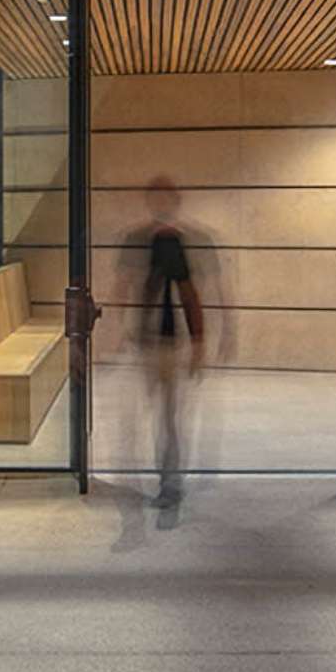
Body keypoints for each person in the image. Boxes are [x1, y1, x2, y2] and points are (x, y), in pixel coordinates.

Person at [128, 174, 213, 509]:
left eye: (167, 198)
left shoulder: (175, 242)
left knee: (167, 415)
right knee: (156, 414)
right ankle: (166, 477)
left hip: (167, 342)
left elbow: (190, 295)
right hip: (147, 341)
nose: (161, 205)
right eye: (156, 198)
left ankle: (169, 480)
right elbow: (131, 287)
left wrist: (198, 343)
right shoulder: (141, 239)